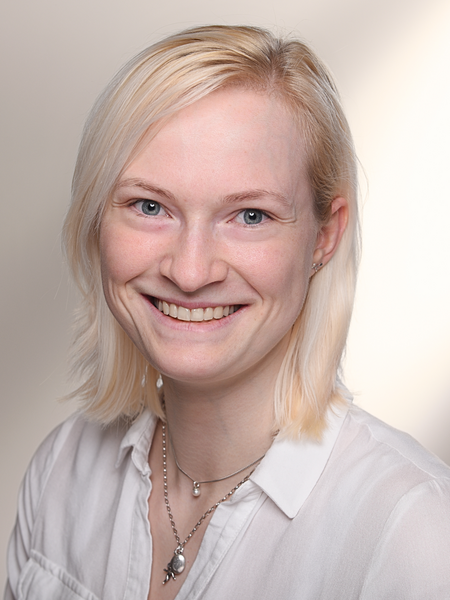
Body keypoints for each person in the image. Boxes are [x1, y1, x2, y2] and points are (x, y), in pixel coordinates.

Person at [5, 25, 450, 600]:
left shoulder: (414, 535)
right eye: (149, 206)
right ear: (95, 220)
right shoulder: (61, 469)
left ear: (324, 236)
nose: (190, 272)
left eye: (251, 216)